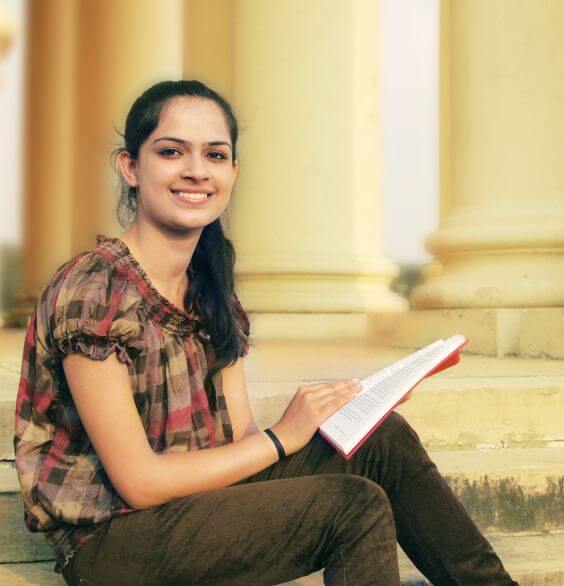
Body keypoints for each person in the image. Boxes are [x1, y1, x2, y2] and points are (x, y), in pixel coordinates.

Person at [14, 80, 517, 586]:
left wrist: (334, 413)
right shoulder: (94, 288)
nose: (196, 170)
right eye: (171, 152)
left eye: (215, 154)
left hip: (198, 509)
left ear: (232, 172)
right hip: (113, 542)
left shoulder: (208, 288)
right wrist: (284, 437)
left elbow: (239, 441)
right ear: (130, 167)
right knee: (352, 507)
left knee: (380, 439)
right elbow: (140, 482)